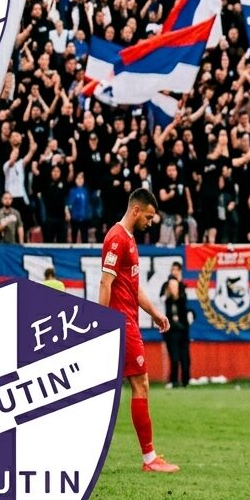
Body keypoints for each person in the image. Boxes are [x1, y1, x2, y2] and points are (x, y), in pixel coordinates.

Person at [99, 188, 180, 473]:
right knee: (140, 384)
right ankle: (149, 459)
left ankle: (149, 457)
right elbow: (105, 283)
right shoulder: (117, 239)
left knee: (118, 387)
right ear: (135, 210)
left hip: (128, 321)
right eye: (148, 216)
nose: (150, 222)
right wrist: (103, 324)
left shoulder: (129, 239)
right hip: (120, 323)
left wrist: (155, 314)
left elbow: (132, 288)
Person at [163, 275, 192, 388]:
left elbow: (184, 310)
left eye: (175, 286)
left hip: (183, 332)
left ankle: (186, 381)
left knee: (185, 358)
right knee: (174, 358)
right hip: (171, 334)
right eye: (171, 286)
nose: (173, 288)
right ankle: (174, 381)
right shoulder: (167, 301)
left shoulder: (182, 299)